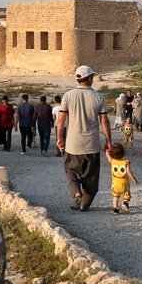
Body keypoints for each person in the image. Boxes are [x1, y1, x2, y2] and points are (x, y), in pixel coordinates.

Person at [57, 65, 111, 212]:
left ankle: (76, 193)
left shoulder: (68, 95)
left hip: (73, 144)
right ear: (90, 78)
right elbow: (104, 121)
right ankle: (84, 205)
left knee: (71, 170)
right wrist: (108, 141)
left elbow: (61, 120)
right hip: (92, 144)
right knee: (91, 178)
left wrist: (59, 138)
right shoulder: (99, 97)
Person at [107, 142, 138, 214]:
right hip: (124, 183)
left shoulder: (112, 161)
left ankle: (115, 208)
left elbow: (107, 154)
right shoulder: (126, 162)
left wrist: (107, 149)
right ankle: (125, 203)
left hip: (115, 184)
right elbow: (128, 171)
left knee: (115, 196)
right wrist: (134, 179)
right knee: (126, 194)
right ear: (123, 152)